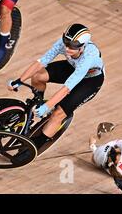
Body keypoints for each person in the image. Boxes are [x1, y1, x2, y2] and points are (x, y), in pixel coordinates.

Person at [8, 23, 104, 152]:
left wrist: (47, 107)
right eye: (66, 42)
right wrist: (20, 80)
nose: (67, 48)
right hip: (72, 68)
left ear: (82, 47)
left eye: (73, 46)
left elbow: (66, 88)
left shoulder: (88, 56)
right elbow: (41, 62)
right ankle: (38, 102)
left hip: (90, 80)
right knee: (37, 76)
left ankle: (37, 145)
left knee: (58, 113)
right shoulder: (63, 44)